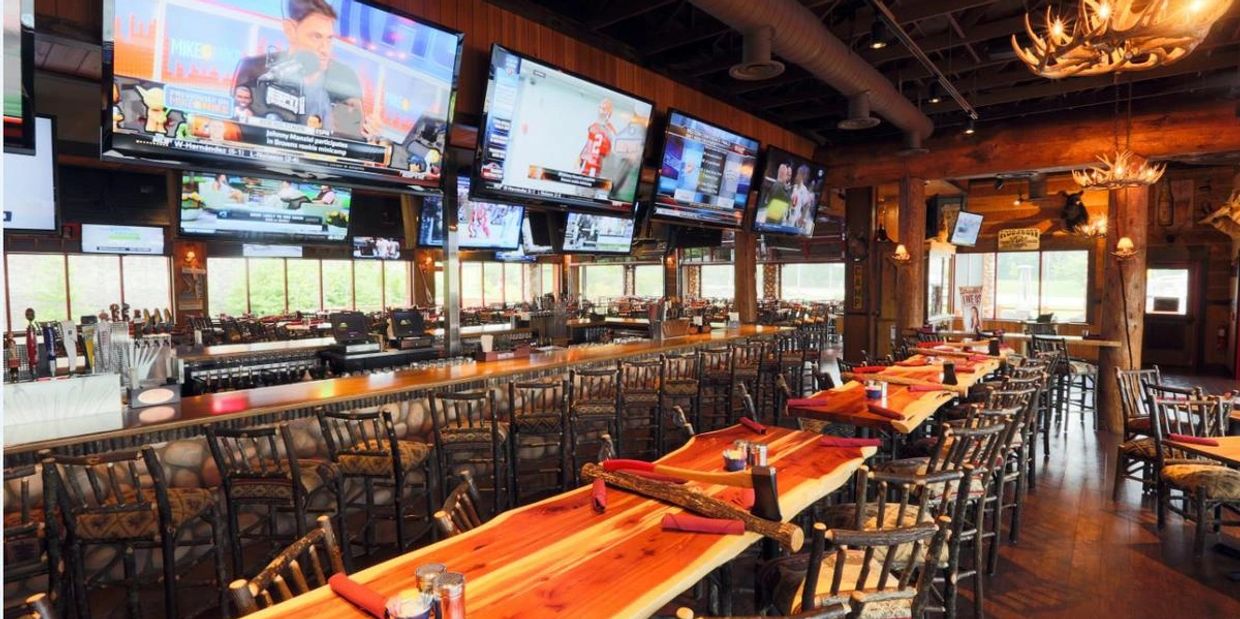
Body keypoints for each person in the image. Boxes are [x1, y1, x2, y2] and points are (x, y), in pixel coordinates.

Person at [231, 0, 370, 139]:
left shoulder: (346, 78)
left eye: (329, 39)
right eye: (316, 37)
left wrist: (368, 132)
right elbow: (234, 131)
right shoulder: (254, 71)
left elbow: (356, 140)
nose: (325, 50)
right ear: (290, 30)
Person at [578, 98, 615, 177]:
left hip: (599, 170)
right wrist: (579, 159)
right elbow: (586, 146)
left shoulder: (611, 131)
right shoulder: (592, 126)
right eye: (600, 108)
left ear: (609, 112)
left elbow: (610, 154)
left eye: (604, 109)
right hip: (585, 168)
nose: (601, 111)